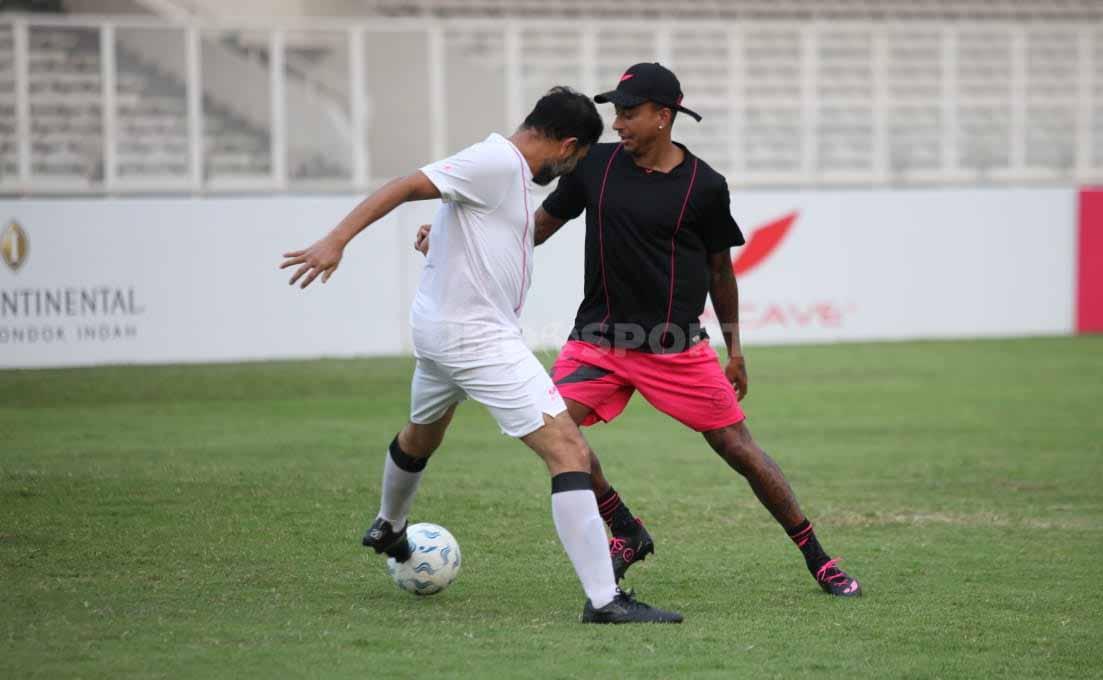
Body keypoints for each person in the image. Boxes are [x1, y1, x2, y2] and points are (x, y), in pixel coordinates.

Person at [418, 64, 861, 597]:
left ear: (663, 116)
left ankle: (818, 558)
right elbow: (532, 229)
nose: (618, 123)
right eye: (616, 112)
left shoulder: (705, 186)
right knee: (555, 433)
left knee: (739, 448)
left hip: (675, 350)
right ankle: (625, 528)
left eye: (629, 113)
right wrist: (453, 238)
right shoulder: (594, 165)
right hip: (597, 343)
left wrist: (736, 350)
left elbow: (720, 272)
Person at [280, 86, 682, 623]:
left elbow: (480, 227)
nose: (570, 170)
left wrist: (443, 237)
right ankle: (605, 601)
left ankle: (389, 524)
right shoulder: (496, 162)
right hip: (477, 337)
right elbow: (405, 186)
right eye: (577, 158)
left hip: (440, 330)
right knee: (568, 451)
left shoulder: (505, 173)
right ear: (567, 146)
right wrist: (337, 240)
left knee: (423, 431)